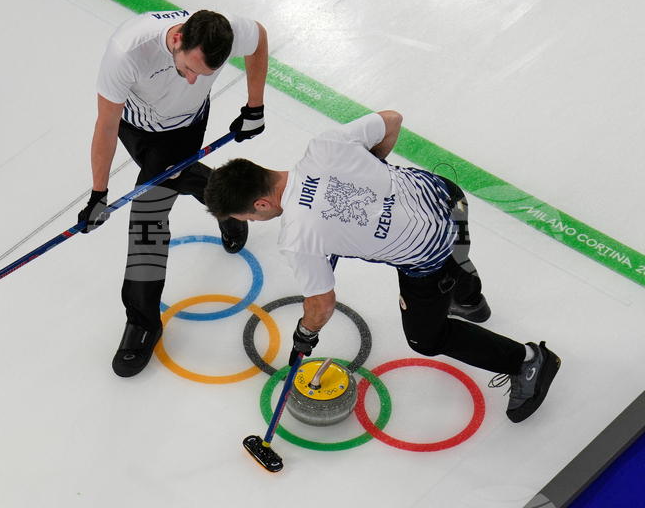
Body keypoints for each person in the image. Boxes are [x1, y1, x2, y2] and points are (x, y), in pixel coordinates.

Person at [203, 110, 560, 423]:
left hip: (431, 253)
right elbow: (391, 120)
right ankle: (468, 298)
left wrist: (305, 334)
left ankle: (528, 361)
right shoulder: (324, 146)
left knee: (426, 337)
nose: (253, 221)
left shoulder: (298, 237)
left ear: (262, 203)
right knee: (450, 251)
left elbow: (321, 305)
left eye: (247, 217)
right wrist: (374, 171)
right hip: (448, 199)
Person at [78, 9, 269, 378]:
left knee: (147, 219)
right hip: (133, 126)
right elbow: (106, 125)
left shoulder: (225, 31)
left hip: (183, 131)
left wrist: (255, 105)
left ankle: (143, 321)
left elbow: (258, 37)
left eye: (206, 74)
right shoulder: (128, 50)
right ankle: (228, 202)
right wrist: (98, 193)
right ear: (178, 38)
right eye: (190, 68)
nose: (195, 79)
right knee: (176, 178)